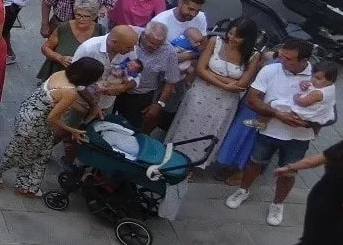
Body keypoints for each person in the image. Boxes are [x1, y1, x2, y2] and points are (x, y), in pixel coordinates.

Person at [225, 39, 322, 226]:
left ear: (304, 60)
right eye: (281, 55)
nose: (281, 60)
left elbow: (328, 110)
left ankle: (278, 204)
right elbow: (252, 100)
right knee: (254, 162)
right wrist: (277, 113)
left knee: (289, 172)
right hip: (268, 130)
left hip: (298, 136)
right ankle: (243, 190)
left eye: (288, 58)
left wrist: (307, 122)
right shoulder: (270, 70)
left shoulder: (318, 77)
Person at [0, 57, 105, 196]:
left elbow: (60, 100)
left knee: (40, 153)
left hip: (27, 114)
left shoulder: (60, 74)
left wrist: (86, 110)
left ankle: (27, 186)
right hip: (36, 125)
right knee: (22, 153)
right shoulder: (71, 92)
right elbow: (53, 117)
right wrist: (72, 130)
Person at [163, 17, 260, 164]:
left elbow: (242, 84)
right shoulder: (215, 42)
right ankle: (174, 155)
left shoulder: (253, 55)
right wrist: (227, 85)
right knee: (188, 124)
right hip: (201, 94)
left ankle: (196, 162)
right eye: (231, 33)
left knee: (211, 129)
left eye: (238, 36)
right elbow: (201, 69)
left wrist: (212, 75)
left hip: (225, 102)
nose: (232, 38)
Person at [113, 21, 183, 132]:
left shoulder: (169, 52)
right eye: (151, 42)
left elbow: (171, 81)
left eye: (158, 44)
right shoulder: (130, 34)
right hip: (113, 87)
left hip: (140, 95)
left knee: (130, 129)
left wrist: (159, 104)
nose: (153, 47)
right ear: (144, 35)